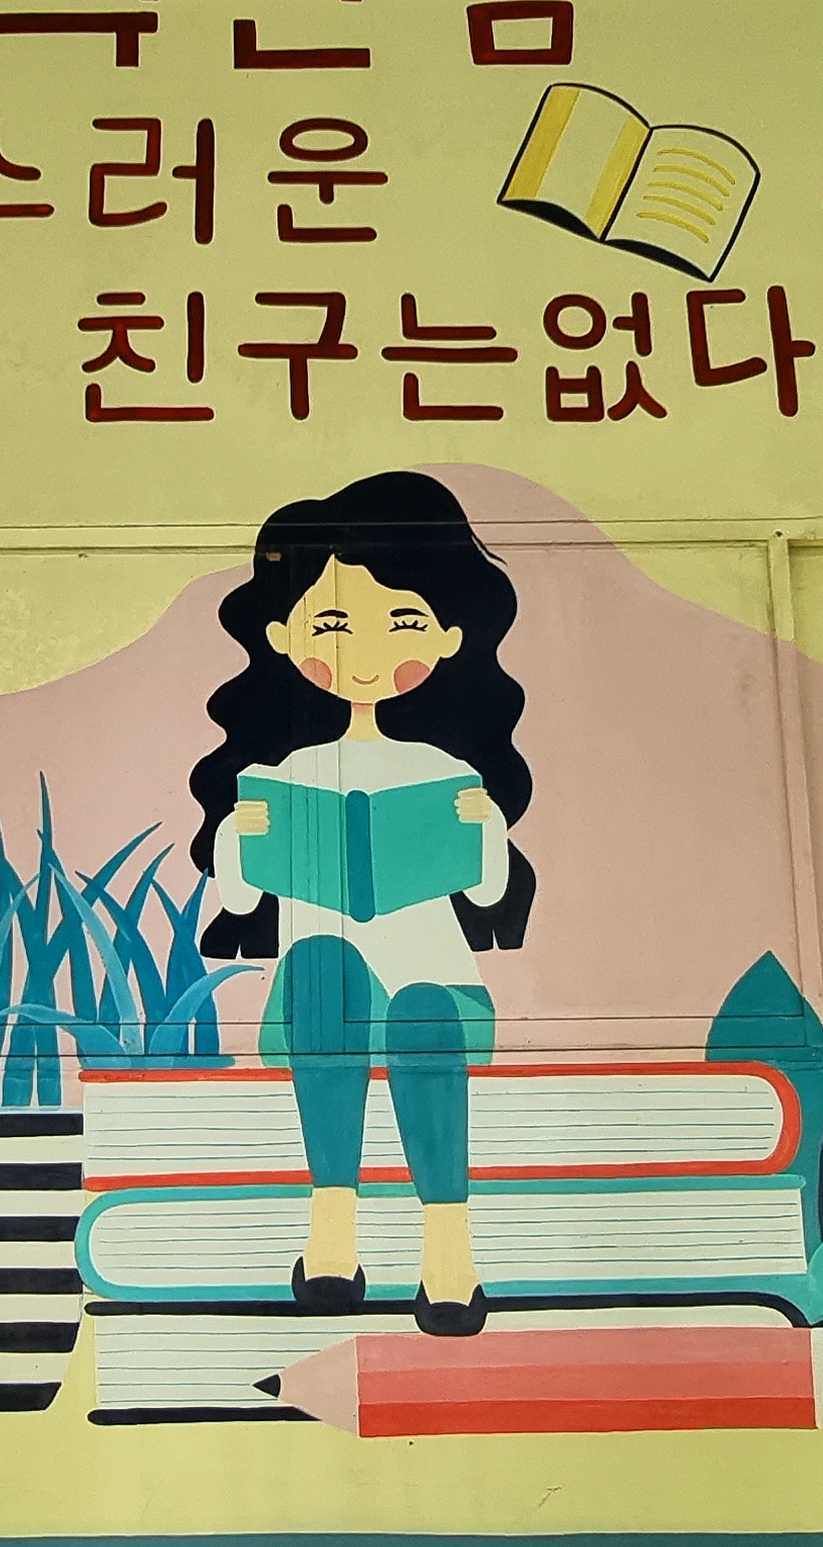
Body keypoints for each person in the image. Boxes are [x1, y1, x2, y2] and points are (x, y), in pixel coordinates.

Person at [188, 470, 537, 1336]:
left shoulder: (447, 771)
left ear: (450, 637)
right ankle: (332, 1234)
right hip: (324, 990)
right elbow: (240, 893)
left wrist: (483, 827)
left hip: (435, 989)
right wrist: (240, 834)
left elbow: (489, 890)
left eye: (403, 624)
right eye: (333, 625)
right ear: (283, 636)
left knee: (418, 1012)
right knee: (322, 967)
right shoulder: (285, 773)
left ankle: (447, 1256)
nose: (366, 652)